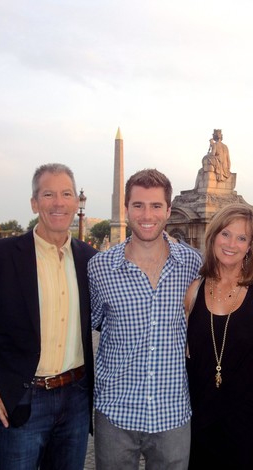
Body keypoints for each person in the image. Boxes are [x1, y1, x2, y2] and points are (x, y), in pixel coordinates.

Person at [0, 163, 97, 469]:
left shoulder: (90, 259)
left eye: (66, 194)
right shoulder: (0, 257)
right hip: (22, 398)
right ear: (34, 203)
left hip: (76, 398)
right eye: (48, 194)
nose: (58, 203)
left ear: (76, 202)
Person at [89, 168, 202, 470]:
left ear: (168, 210)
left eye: (155, 206)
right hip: (116, 412)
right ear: (126, 208)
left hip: (172, 413)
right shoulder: (100, 268)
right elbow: (88, 323)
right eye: (138, 205)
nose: (147, 214)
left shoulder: (192, 264)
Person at [184, 203, 253, 470]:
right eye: (225, 234)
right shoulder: (194, 290)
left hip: (249, 426)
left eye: (242, 238)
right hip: (199, 421)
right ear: (213, 236)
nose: (231, 244)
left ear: (250, 246)